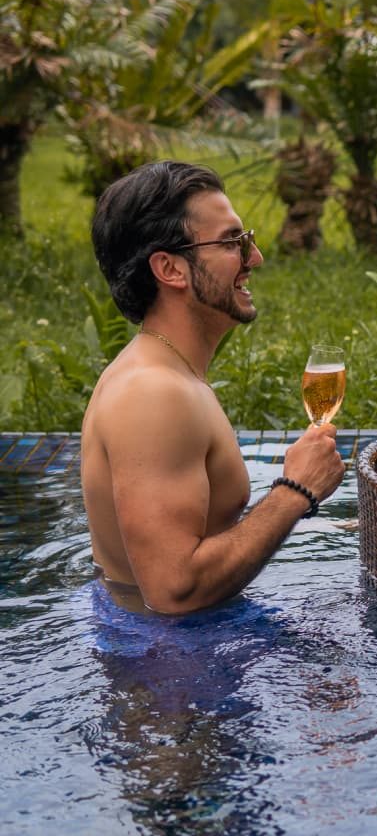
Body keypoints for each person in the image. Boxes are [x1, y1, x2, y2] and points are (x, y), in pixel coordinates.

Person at [82, 161, 346, 614]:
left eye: (248, 240)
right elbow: (173, 590)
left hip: (170, 644)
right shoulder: (153, 394)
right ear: (170, 269)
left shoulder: (170, 372)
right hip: (167, 665)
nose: (254, 259)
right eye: (231, 243)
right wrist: (295, 490)